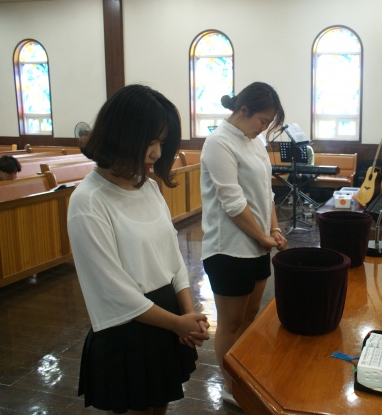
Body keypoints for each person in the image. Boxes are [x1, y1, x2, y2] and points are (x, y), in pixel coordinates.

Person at [67, 84, 209, 415]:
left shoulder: (148, 188)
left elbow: (173, 257)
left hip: (168, 318)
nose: (156, 153)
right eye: (150, 141)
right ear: (121, 133)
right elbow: (112, 290)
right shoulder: (88, 201)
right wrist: (176, 323)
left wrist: (186, 315)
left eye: (162, 142)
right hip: (128, 329)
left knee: (158, 408)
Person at [200, 82, 288, 407]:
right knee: (230, 322)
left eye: (268, 122)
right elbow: (232, 201)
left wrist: (273, 228)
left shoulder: (256, 141)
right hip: (228, 249)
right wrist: (263, 236)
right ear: (243, 109)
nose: (264, 127)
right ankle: (229, 384)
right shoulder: (219, 142)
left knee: (249, 317)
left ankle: (243, 374)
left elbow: (266, 193)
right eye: (262, 120)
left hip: (256, 245)